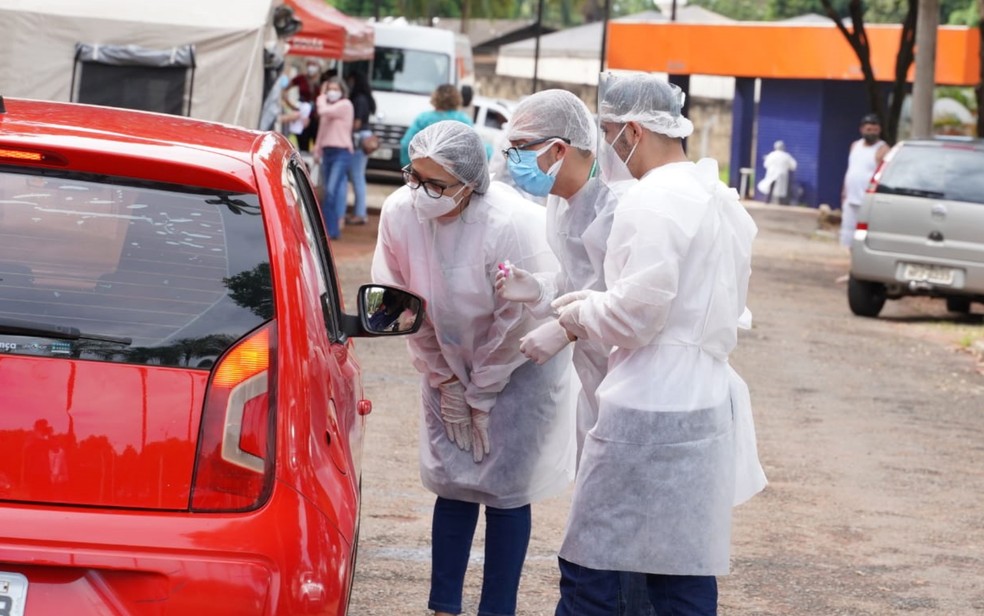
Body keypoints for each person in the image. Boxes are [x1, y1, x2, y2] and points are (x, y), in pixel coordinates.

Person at [547, 72, 766, 616]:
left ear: (634, 131)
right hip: (706, 402)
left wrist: (578, 310)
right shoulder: (720, 198)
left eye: (608, 132)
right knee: (682, 571)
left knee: (592, 567)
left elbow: (637, 315)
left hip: (647, 405)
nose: (606, 147)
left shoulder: (650, 201)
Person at [371, 120, 576, 616]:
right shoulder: (401, 213)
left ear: (471, 182)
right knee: (454, 480)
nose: (422, 193)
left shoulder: (510, 224)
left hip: (520, 364)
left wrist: (483, 388)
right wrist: (444, 379)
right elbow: (400, 303)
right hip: (442, 355)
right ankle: (444, 605)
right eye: (414, 177)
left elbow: (517, 319)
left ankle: (497, 608)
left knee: (506, 490)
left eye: (437, 184)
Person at [494, 88, 655, 616]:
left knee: (619, 538)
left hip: (637, 391)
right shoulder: (560, 205)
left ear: (559, 149)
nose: (510, 158)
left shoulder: (620, 208)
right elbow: (575, 281)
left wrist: (563, 327)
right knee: (608, 531)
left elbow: (632, 311)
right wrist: (537, 289)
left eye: (520, 147)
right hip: (597, 390)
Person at [840, 113, 889, 248]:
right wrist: (844, 192)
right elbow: (851, 170)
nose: (871, 133)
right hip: (851, 197)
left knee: (864, 235)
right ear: (862, 129)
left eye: (875, 130)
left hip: (868, 200)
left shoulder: (882, 149)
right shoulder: (855, 146)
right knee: (847, 232)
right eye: (868, 130)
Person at [314, 77, 354, 240]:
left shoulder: (344, 105)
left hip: (341, 152)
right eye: (329, 88)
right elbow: (322, 130)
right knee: (328, 192)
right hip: (328, 151)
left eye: (335, 88)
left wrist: (321, 97)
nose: (332, 91)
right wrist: (317, 149)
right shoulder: (329, 108)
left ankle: (331, 230)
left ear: (342, 91)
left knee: (331, 191)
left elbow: (323, 111)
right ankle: (329, 228)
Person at [399, 84, 473, 167]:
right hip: (454, 172)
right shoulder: (464, 121)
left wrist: (410, 167)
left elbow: (407, 144)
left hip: (426, 169)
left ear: (435, 98)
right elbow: (471, 149)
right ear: (458, 99)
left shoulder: (423, 119)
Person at [346, 70, 376, 226]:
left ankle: (359, 213)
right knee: (359, 176)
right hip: (364, 137)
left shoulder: (359, 99)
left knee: (357, 176)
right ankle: (359, 212)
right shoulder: (366, 99)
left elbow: (356, 123)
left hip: (358, 139)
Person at [289, 59, 322, 152]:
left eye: (314, 64)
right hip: (303, 114)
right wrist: (292, 106)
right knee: (303, 144)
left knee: (317, 143)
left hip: (317, 116)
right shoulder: (301, 78)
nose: (311, 67)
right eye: (309, 64)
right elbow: (284, 90)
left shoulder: (322, 80)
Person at [756, 140, 797, 205]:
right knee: (781, 190)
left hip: (772, 174)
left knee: (770, 187)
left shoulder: (771, 155)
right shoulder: (786, 156)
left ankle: (767, 201)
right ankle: (782, 203)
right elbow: (793, 166)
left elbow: (766, 164)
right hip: (782, 174)